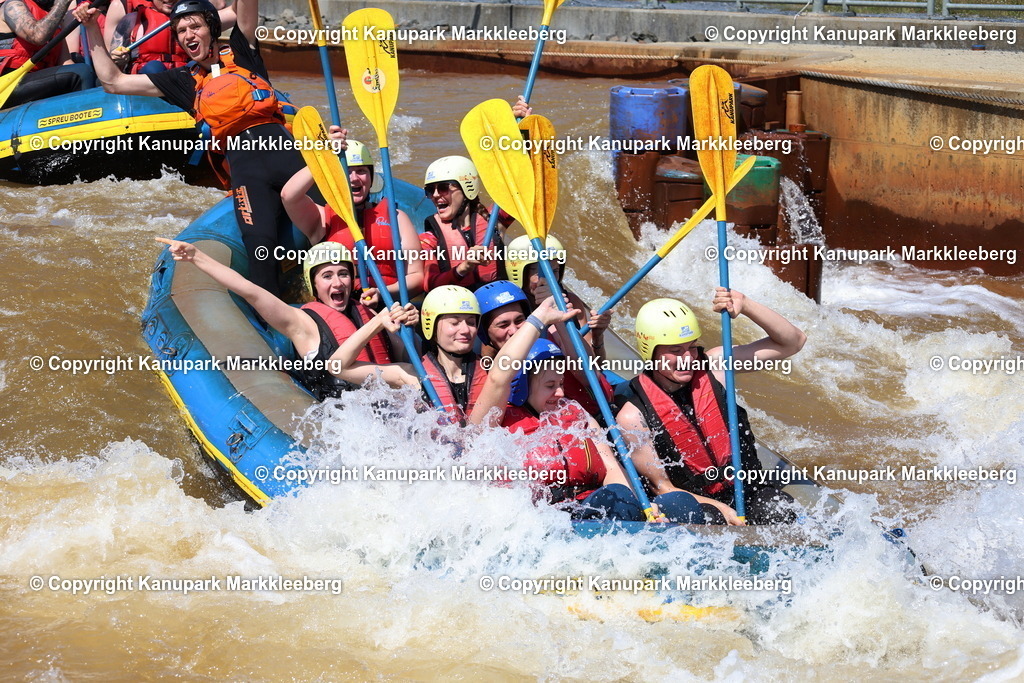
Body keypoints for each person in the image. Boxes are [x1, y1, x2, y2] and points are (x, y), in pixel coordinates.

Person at [75, 0, 312, 297]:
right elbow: (113, 81)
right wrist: (89, 27)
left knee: (336, 222)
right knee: (260, 251)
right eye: (182, 30)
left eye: (196, 26)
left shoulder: (243, 49)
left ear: (213, 29)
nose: (189, 34)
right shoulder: (182, 80)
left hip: (286, 155)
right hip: (247, 175)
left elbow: (247, 7)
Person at [468, 306, 705, 523]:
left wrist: (644, 507)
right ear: (523, 386)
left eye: (561, 383)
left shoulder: (573, 413)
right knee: (617, 500)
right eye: (550, 385)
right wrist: (538, 318)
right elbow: (500, 375)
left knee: (680, 504)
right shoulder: (493, 421)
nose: (560, 392)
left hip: (592, 506)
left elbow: (612, 470)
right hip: (544, 519)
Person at [617, 292, 807, 525]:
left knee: (776, 507)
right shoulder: (633, 415)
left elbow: (793, 342)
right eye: (676, 351)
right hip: (697, 504)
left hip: (745, 492)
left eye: (692, 347)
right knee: (710, 518)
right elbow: (662, 488)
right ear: (650, 351)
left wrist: (746, 305)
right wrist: (721, 508)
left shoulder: (716, 365)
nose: (687, 358)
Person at [155, 237, 403, 401]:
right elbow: (248, 289)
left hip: (383, 407)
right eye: (327, 276)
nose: (337, 282)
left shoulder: (368, 312)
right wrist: (197, 256)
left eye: (343, 274)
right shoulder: (300, 322)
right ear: (313, 284)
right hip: (340, 414)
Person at [281, 135, 424, 300]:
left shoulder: (397, 218)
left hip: (387, 303)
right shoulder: (322, 218)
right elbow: (288, 196)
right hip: (340, 305)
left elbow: (416, 275)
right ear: (335, 178)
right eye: (346, 171)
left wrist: (381, 293)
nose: (354, 178)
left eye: (361, 171)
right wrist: (322, 153)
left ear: (371, 179)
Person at [328, 284, 487, 423]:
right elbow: (337, 367)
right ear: (430, 325)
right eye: (454, 323)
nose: (466, 330)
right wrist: (379, 321)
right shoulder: (412, 375)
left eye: (471, 323)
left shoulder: (490, 371)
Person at [0, 0, 94, 108]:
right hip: (8, 84)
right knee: (79, 73)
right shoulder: (12, 5)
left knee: (92, 76)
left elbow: (65, 62)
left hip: (36, 78)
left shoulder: (51, 19)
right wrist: (63, 3)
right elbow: (37, 36)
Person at [103, 0, 231, 74]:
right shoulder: (128, 14)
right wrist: (118, 59)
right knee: (154, 68)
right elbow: (109, 62)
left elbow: (224, 5)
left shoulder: (197, 15)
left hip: (185, 76)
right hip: (147, 79)